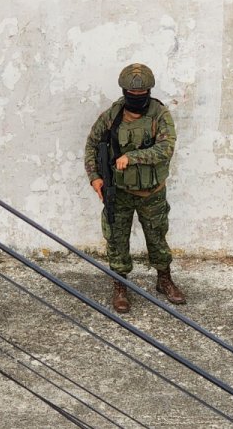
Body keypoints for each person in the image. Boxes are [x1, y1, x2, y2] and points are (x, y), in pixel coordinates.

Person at [84, 63, 186, 314]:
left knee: (157, 238)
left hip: (151, 193)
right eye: (132, 96)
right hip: (119, 193)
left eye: (141, 97)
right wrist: (95, 178)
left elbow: (166, 148)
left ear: (149, 92)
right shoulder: (112, 116)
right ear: (124, 92)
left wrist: (133, 157)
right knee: (117, 240)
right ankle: (120, 285)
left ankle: (164, 279)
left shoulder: (160, 115)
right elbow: (92, 145)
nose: (136, 100)